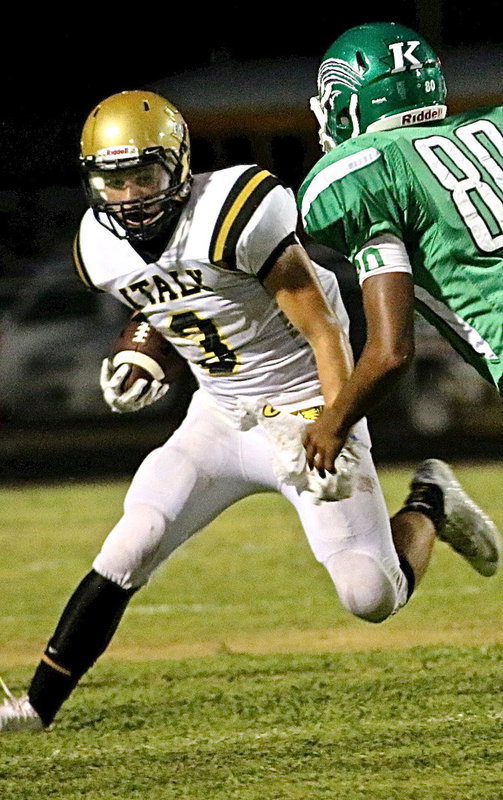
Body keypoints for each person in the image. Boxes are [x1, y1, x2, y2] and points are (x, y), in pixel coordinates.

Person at [0, 90, 499, 732]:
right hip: (220, 417)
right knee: (134, 540)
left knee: (369, 595)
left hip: (304, 410)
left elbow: (323, 329)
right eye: (114, 182)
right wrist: (146, 354)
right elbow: (174, 306)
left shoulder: (234, 212)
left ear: (178, 167)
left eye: (144, 177)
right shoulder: (96, 247)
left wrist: (335, 425)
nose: (130, 197)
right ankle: (36, 707)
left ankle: (429, 500)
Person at [297, 20, 503, 473]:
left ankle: (431, 509)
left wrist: (333, 422)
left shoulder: (366, 172)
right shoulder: (493, 128)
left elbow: (390, 351)